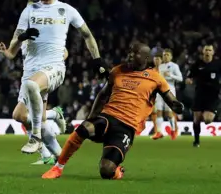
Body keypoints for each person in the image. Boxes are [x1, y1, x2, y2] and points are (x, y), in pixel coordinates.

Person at [0, 0, 107, 154]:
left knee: (33, 86)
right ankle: (58, 156)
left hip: (54, 68)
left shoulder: (66, 10)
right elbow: (11, 52)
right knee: (19, 116)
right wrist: (21, 38)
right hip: (30, 72)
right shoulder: (29, 11)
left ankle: (36, 138)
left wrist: (97, 59)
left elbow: (87, 35)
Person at [42, 42, 184, 180]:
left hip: (127, 127)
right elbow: (103, 95)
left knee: (106, 171)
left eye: (135, 53)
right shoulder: (117, 71)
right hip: (108, 117)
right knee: (84, 128)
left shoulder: (156, 78)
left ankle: (116, 171)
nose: (130, 55)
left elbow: (170, 98)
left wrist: (177, 106)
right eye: (129, 52)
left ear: (146, 58)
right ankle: (58, 168)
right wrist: (91, 116)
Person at [185, 44, 221, 148]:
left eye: (210, 50)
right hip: (199, 94)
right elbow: (189, 76)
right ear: (203, 52)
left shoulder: (218, 64)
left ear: (213, 52)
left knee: (207, 120)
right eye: (206, 50)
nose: (208, 52)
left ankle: (212, 112)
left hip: (213, 95)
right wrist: (189, 79)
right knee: (196, 119)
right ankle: (196, 141)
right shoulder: (197, 64)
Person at [151, 48, 182, 140]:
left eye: (167, 55)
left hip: (170, 91)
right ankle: (159, 132)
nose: (165, 56)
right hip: (160, 92)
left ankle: (173, 130)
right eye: (164, 55)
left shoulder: (174, 66)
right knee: (158, 111)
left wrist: (170, 75)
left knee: (169, 113)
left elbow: (180, 78)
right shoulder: (160, 67)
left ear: (171, 56)